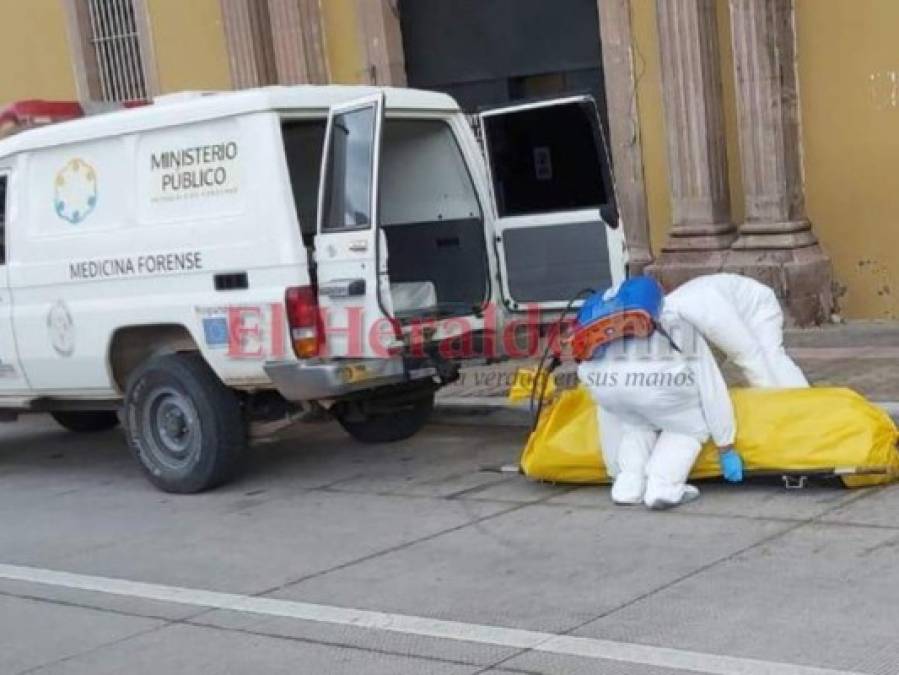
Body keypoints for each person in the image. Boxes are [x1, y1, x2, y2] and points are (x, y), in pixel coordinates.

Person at [575, 276, 744, 510]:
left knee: (636, 426)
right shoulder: (674, 322)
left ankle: (627, 485)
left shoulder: (600, 328)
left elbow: (597, 395)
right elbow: (710, 384)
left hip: (605, 387)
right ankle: (663, 487)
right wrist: (726, 445)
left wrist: (612, 467)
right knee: (686, 427)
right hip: (659, 390)